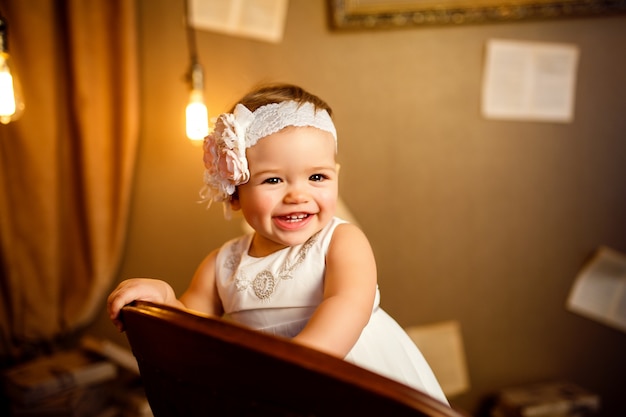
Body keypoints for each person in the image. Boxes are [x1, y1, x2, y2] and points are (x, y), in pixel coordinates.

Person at [107, 83, 449, 405]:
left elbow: (347, 306)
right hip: (269, 393)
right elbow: (192, 334)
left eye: (317, 177)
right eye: (273, 179)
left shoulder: (341, 242)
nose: (298, 194)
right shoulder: (222, 265)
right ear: (234, 195)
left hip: (349, 383)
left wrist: (287, 372)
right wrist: (165, 301)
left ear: (336, 175)